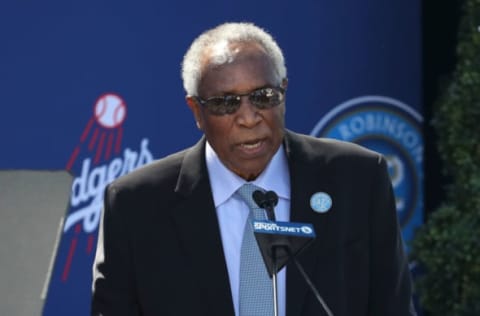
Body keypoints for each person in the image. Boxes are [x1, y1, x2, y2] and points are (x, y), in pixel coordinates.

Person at [91, 22, 416, 316]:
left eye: (264, 96)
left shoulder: (356, 179)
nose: (248, 118)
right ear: (196, 111)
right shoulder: (137, 205)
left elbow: (393, 307)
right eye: (225, 103)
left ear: (284, 93)